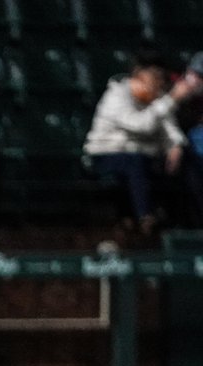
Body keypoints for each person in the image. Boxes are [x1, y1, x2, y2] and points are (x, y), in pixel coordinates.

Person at [84, 50, 203, 235]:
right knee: (135, 161)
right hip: (107, 155)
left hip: (143, 157)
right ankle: (145, 218)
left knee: (186, 161)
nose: (158, 82)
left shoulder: (158, 99)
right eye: (154, 76)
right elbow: (141, 125)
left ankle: (193, 225)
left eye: (161, 77)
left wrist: (176, 146)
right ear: (140, 74)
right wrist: (171, 99)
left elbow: (170, 129)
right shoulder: (117, 94)